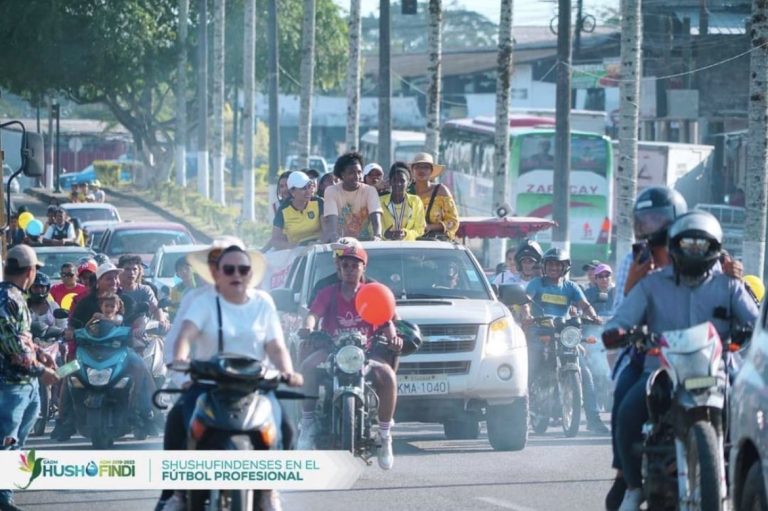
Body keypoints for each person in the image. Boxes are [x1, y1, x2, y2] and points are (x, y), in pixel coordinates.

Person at [604, 210, 759, 511]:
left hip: (719, 371)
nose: (694, 251)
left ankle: (752, 480)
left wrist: (750, 333)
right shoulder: (652, 284)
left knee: (755, 412)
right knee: (626, 415)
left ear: (714, 248)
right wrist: (619, 332)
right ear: (674, 245)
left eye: (701, 245)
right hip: (662, 372)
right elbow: (621, 320)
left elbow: (755, 320)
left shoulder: (728, 284)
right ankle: (634, 487)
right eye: (687, 244)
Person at [164, 245, 303, 511]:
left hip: (256, 387)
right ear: (217, 274)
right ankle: (179, 493)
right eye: (228, 269)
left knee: (287, 428)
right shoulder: (202, 301)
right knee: (176, 422)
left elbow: (276, 346)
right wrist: (181, 359)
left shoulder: (264, 302)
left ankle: (269, 490)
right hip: (208, 384)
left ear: (251, 274)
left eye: (243, 269)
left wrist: (288, 371)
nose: (235, 274)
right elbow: (186, 335)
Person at [297, 244, 402, 470]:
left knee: (387, 376)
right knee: (307, 366)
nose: (350, 269)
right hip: (334, 348)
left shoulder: (373, 291)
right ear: (339, 267)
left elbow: (388, 320)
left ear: (363, 268)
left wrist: (393, 337)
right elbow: (313, 315)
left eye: (355, 265)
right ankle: (307, 425)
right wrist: (307, 328)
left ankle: (385, 436)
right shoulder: (328, 293)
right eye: (345, 265)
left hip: (367, 351)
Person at [0, 246, 59, 511]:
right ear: (31, 271)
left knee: (16, 442)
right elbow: (12, 345)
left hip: (25, 384)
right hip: (10, 385)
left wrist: (40, 353)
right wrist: (40, 370)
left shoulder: (16, 297)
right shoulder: (6, 299)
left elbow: (22, 338)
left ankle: (6, 490)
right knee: (6, 440)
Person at [524, 247, 608, 434]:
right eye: (551, 264)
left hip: (564, 334)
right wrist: (527, 314)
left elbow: (585, 305)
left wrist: (594, 317)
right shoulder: (537, 283)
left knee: (584, 373)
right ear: (545, 266)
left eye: (558, 264)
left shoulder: (571, 287)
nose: (554, 268)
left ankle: (593, 421)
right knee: (531, 367)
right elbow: (526, 301)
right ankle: (521, 416)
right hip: (540, 333)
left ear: (565, 267)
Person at [323, 152, 383, 241]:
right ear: (342, 174)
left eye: (359, 172)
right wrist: (334, 236)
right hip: (340, 242)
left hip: (365, 242)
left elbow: (375, 217)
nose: (357, 176)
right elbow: (332, 222)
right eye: (351, 173)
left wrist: (377, 236)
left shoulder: (370, 191)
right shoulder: (331, 191)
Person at [269, 171, 327, 249]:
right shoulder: (283, 210)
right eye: (303, 188)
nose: (308, 191)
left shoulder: (319, 203)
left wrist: (318, 243)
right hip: (296, 254)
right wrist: (295, 247)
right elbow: (275, 240)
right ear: (292, 192)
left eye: (309, 186)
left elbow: (327, 230)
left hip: (318, 250)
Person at [410, 152, 459, 240]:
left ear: (431, 171)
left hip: (435, 243)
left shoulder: (441, 190)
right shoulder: (405, 190)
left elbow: (453, 222)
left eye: (426, 167)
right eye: (418, 167)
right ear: (412, 170)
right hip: (409, 241)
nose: (422, 170)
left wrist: (430, 227)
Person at [117, 255, 169, 331]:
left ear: (139, 271)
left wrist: (162, 321)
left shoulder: (145, 289)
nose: (131, 273)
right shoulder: (115, 289)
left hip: (141, 329)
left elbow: (155, 308)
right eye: (127, 269)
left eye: (134, 269)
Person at [379, 162, 426, 241]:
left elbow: (420, 230)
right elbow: (372, 227)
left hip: (409, 248)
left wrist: (406, 234)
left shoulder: (416, 201)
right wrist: (385, 234)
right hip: (385, 247)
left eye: (402, 181)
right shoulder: (380, 201)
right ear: (390, 182)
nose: (398, 184)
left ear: (409, 182)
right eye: (395, 180)